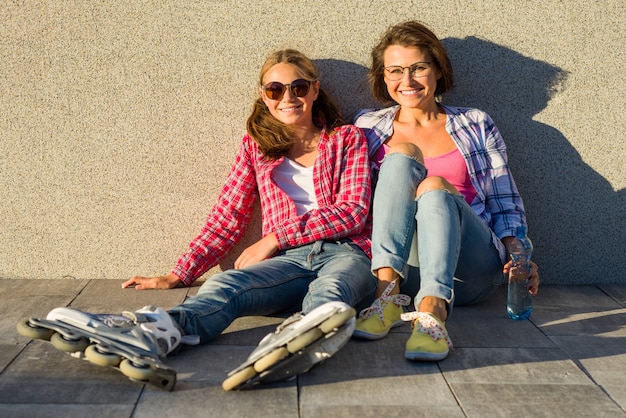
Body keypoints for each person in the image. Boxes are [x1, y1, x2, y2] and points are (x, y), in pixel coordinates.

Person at [36, 49, 376, 388]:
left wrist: (275, 238)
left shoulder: (347, 139)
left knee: (330, 294)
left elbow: (352, 212)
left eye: (298, 88)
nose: (288, 97)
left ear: (314, 90)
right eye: (275, 90)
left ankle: (290, 345)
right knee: (225, 285)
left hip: (347, 252)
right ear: (264, 96)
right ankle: (153, 334)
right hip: (287, 263)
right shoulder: (256, 147)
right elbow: (227, 216)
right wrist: (180, 273)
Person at [352, 21, 540, 361]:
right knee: (402, 155)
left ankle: (433, 314)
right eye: (394, 71)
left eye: (418, 68)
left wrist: (519, 255)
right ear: (383, 77)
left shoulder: (475, 123)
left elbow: (503, 199)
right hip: (403, 269)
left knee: (435, 186)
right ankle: (386, 298)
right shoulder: (366, 128)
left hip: (470, 270)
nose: (406, 81)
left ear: (437, 70)